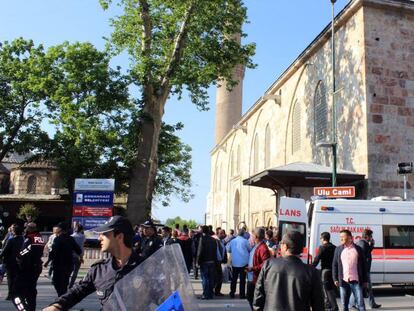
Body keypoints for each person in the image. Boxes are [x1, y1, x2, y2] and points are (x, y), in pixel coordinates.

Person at [42, 216, 143, 311]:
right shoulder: (99, 269)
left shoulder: (145, 267)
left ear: (120, 236)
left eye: (105, 234)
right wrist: (58, 305)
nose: (99, 238)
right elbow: (77, 291)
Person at [253, 231, 323, 311]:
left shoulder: (268, 265)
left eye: (281, 244)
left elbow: (258, 296)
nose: (280, 246)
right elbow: (318, 305)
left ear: (285, 247)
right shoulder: (311, 272)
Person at [13, 222, 45, 311]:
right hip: (36, 266)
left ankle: (24, 309)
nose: (25, 230)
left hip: (27, 267)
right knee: (31, 291)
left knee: (16, 293)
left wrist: (18, 256)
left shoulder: (29, 238)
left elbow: (25, 250)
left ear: (29, 229)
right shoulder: (40, 238)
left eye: (26, 228)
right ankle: (31, 309)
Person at [332, 229, 368, 311]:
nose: (340, 238)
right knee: (344, 305)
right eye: (340, 237)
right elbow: (334, 265)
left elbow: (364, 266)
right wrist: (335, 279)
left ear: (350, 238)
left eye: (342, 237)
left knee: (361, 304)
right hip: (343, 281)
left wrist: (365, 280)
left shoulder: (358, 249)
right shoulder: (338, 249)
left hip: (356, 281)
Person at [45, 222, 82, 296]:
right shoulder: (71, 239)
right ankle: (63, 297)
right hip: (68, 265)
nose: (56, 229)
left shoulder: (58, 239)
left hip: (59, 265)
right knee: (64, 283)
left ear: (60, 229)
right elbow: (79, 250)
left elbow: (53, 252)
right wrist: (80, 256)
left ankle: (61, 298)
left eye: (57, 228)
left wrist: (47, 261)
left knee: (56, 282)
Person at [312, 232, 338, 311]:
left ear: (323, 238)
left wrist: (311, 267)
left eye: (321, 238)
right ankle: (327, 306)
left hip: (325, 271)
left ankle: (334, 307)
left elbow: (317, 259)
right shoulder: (334, 247)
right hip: (333, 271)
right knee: (331, 289)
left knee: (327, 289)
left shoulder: (322, 247)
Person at [246, 227, 270, 309]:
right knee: (250, 299)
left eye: (252, 235)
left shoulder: (263, 248)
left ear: (256, 236)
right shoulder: (256, 246)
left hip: (257, 280)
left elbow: (265, 264)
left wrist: (253, 268)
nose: (251, 237)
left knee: (256, 302)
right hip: (252, 278)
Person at [356, 229, 381, 309]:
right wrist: (372, 245)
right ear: (366, 236)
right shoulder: (363, 244)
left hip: (364, 269)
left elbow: (366, 253)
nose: (371, 238)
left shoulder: (362, 243)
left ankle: (371, 303)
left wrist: (371, 245)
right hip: (365, 270)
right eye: (371, 236)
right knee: (365, 287)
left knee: (360, 287)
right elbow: (363, 258)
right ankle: (371, 304)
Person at [0, 224, 24, 301]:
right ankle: (18, 293)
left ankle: (11, 294)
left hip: (10, 261)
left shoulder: (11, 240)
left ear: (14, 232)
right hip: (21, 261)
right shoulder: (24, 239)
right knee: (18, 278)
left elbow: (4, 251)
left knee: (10, 279)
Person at [226, 228, 251, 299]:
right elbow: (250, 249)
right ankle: (242, 294)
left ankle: (232, 293)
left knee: (234, 279)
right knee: (242, 280)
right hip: (244, 263)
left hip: (235, 263)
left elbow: (229, 250)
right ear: (243, 234)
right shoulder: (246, 241)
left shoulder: (232, 241)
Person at [196, 225, 218, 300]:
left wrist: (197, 261)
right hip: (212, 261)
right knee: (211, 278)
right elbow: (215, 251)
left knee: (205, 278)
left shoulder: (202, 239)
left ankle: (205, 294)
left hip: (204, 261)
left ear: (202, 231)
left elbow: (200, 251)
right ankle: (211, 294)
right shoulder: (213, 240)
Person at [69, 223, 86, 288]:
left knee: (70, 270)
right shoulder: (83, 236)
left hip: (71, 254)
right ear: (81, 229)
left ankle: (67, 282)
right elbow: (82, 245)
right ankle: (71, 284)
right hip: (79, 255)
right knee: (75, 271)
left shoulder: (72, 236)